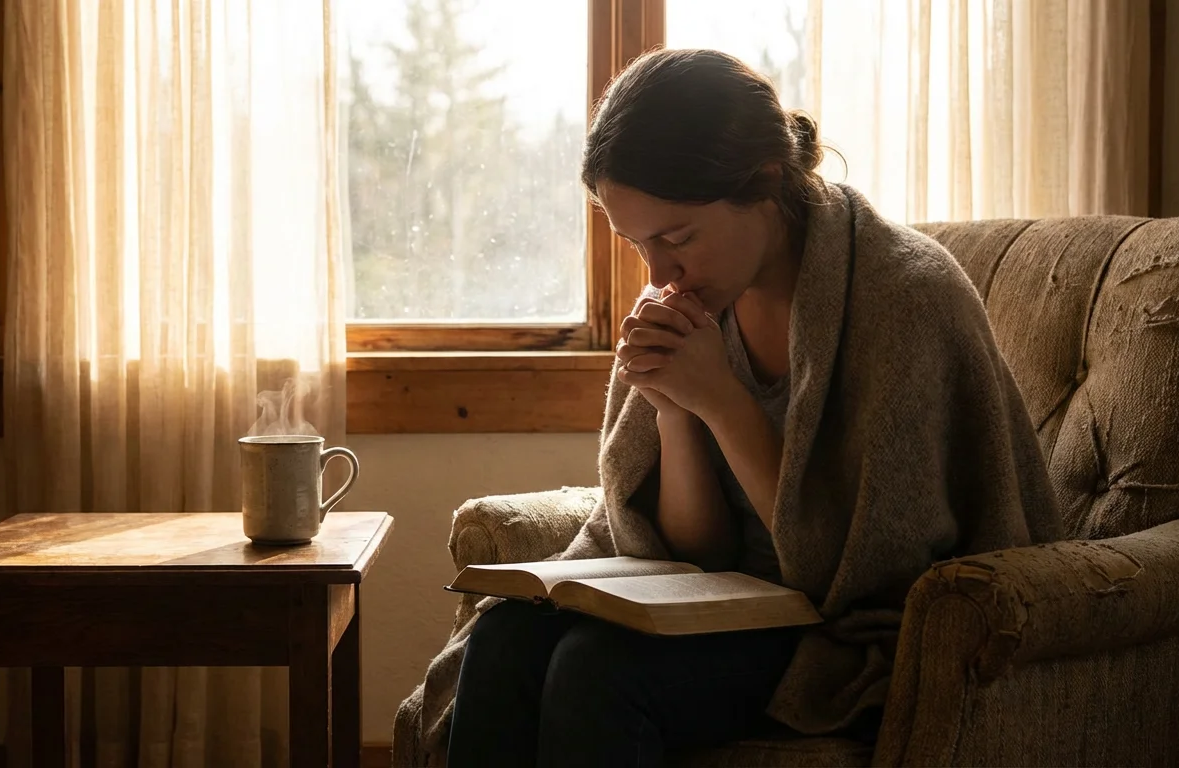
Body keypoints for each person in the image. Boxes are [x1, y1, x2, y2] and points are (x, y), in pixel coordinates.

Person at [444, 48, 1059, 768]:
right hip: (725, 607)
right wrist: (674, 408)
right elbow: (692, 554)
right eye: (637, 245)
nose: (659, 275)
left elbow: (852, 575)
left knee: (594, 672)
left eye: (676, 239)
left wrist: (724, 402)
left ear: (766, 180)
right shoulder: (696, 302)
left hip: (845, 632)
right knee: (504, 641)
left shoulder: (905, 298)